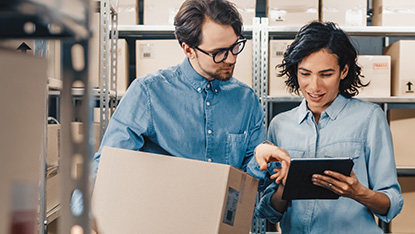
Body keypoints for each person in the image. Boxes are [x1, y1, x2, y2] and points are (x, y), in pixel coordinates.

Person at [247, 21, 403, 233]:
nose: (314, 86)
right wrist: (285, 187)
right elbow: (270, 213)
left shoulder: (369, 118)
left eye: (326, 74)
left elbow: (391, 204)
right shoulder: (280, 125)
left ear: (343, 71)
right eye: (305, 73)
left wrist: (358, 192)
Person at [92, 0, 265, 178]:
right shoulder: (148, 93)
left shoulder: (246, 99)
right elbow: (107, 167)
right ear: (189, 50)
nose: (231, 59)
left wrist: (261, 160)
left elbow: (250, 178)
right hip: (164, 205)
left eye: (235, 46)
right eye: (219, 52)